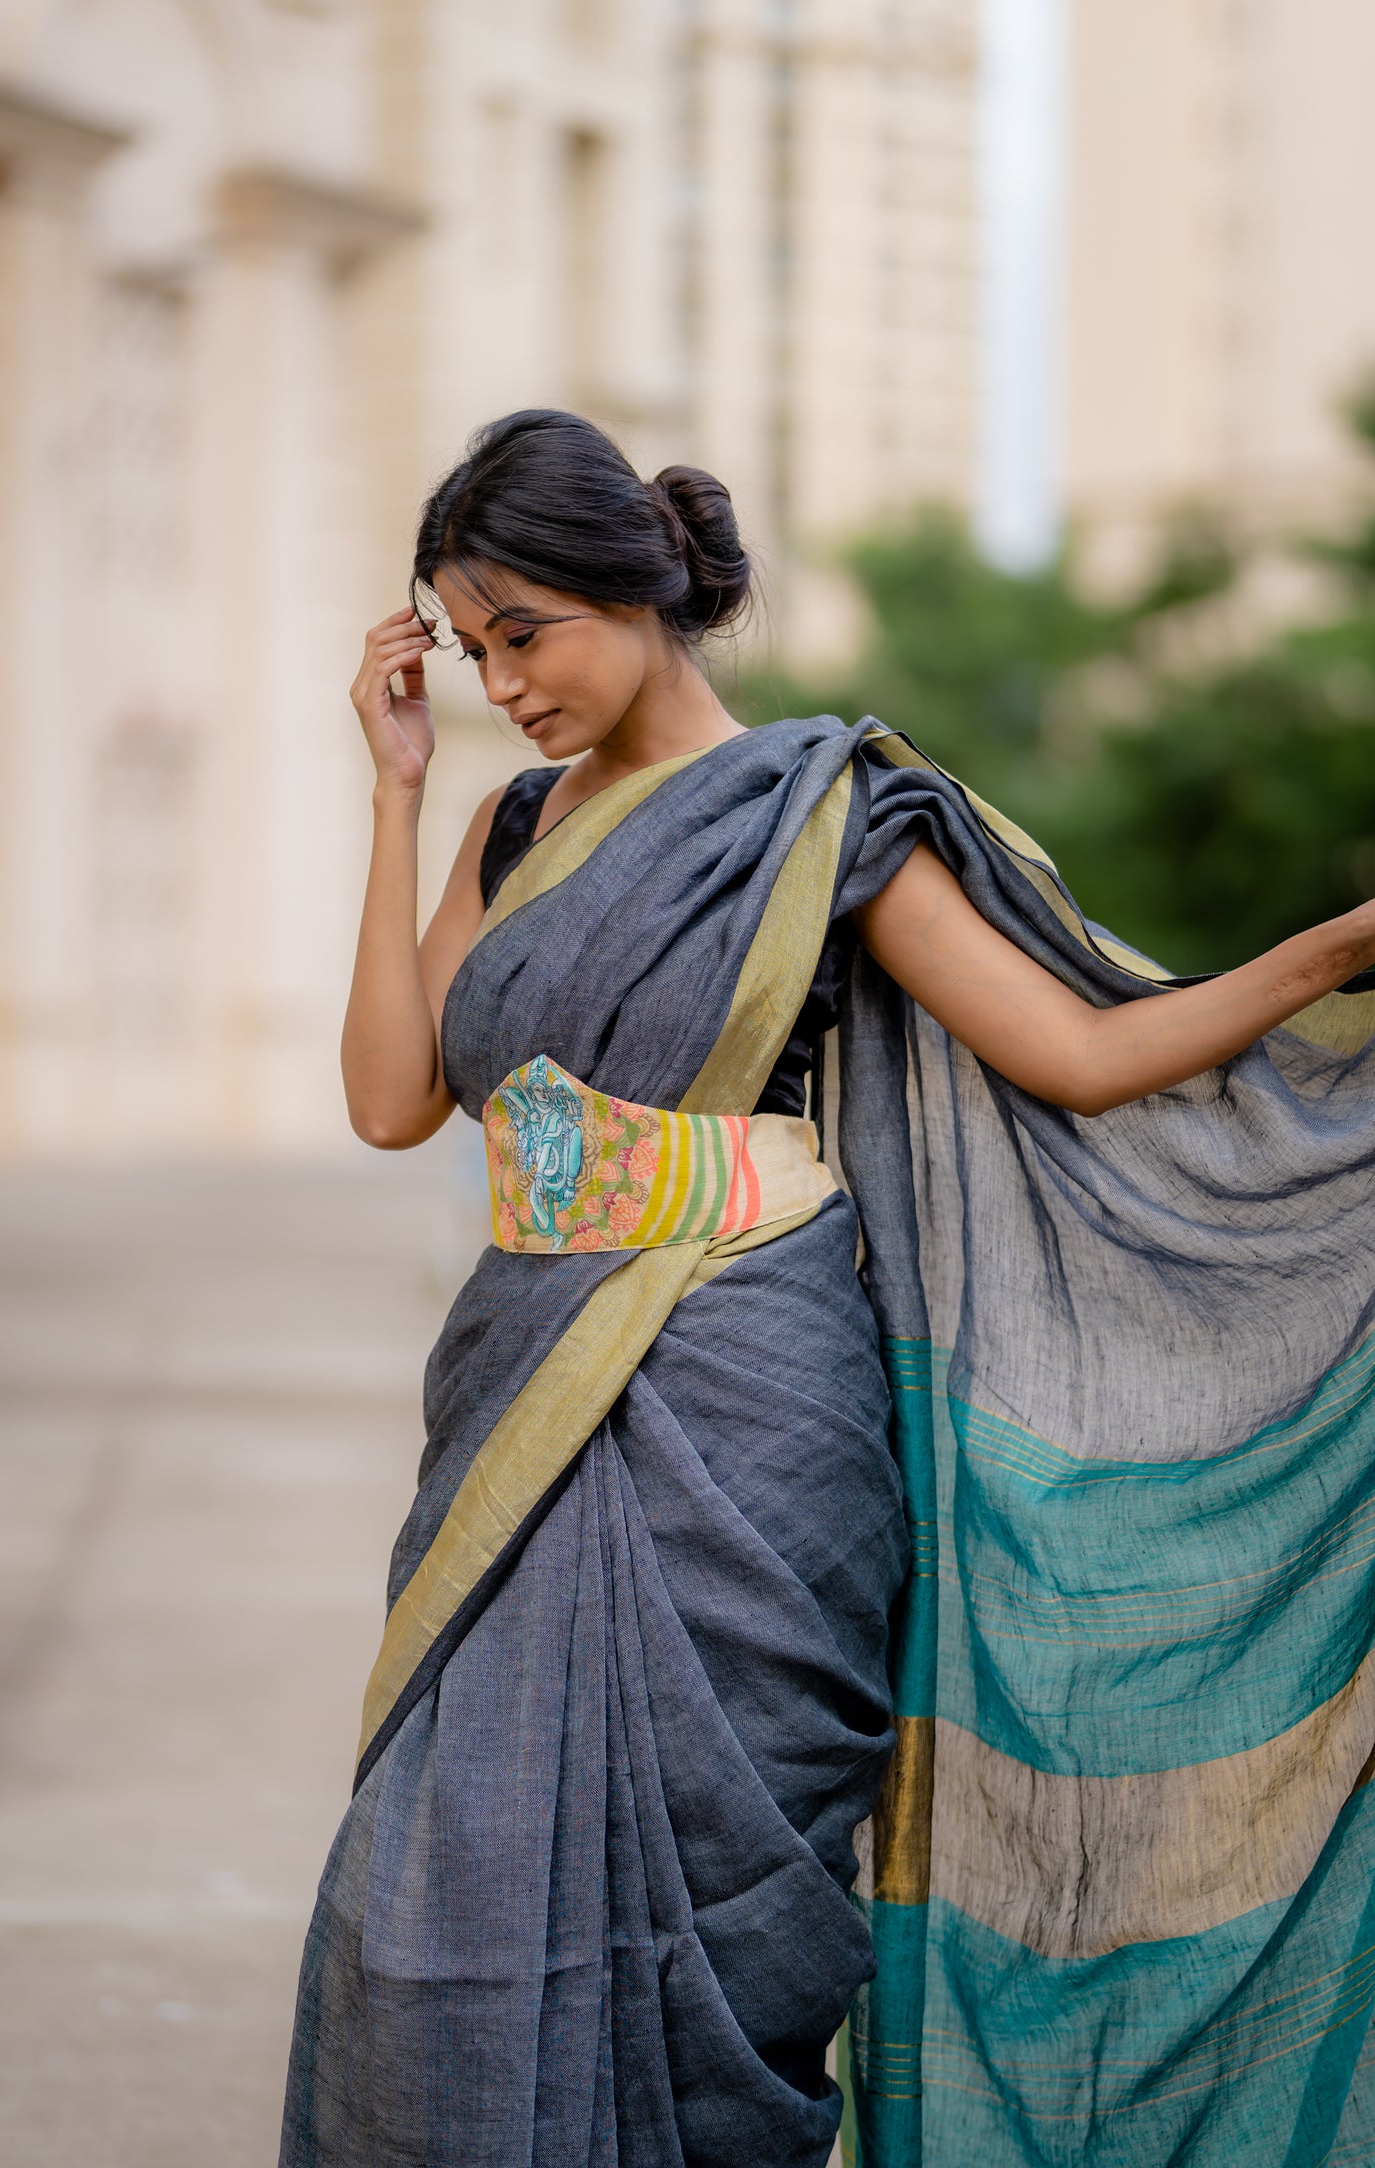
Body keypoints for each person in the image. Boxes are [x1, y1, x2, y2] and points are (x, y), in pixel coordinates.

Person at [281, 410, 1375, 2168]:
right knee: (442, 1878)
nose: (500, 680)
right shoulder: (508, 820)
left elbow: (1079, 1057)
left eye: (525, 633)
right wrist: (401, 792)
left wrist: (1330, 951)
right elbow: (391, 1098)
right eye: (471, 646)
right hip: (524, 1378)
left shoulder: (825, 812)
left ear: (641, 593)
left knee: (732, 1890)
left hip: (745, 1390)